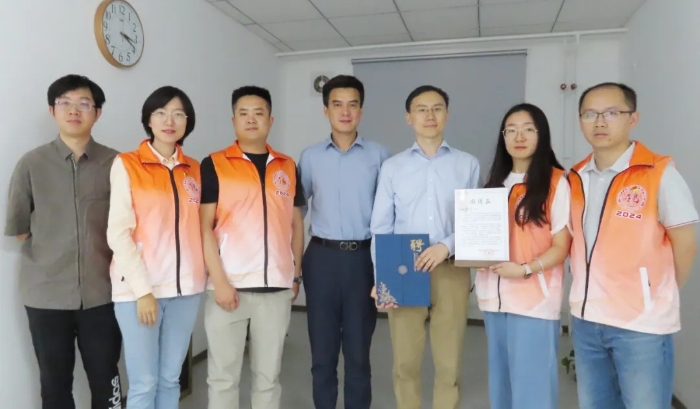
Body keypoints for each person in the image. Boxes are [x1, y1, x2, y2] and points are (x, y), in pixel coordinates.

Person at [568, 82, 698, 409]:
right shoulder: (576, 176)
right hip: (586, 321)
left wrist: (656, 293)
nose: (600, 122)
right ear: (580, 120)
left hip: (641, 326)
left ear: (633, 118)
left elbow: (685, 244)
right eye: (590, 114)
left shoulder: (658, 172)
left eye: (611, 113)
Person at [4, 74, 123, 409]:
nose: (74, 110)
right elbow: (20, 227)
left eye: (84, 104)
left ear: (97, 112)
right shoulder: (31, 163)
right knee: (54, 385)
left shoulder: (117, 164)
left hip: (103, 293)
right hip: (46, 295)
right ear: (52, 110)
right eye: (65, 103)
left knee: (107, 380)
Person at [370, 85, 480, 409]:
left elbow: (477, 219)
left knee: (449, 362)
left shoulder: (467, 164)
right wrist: (382, 277)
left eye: (437, 108)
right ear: (409, 117)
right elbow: (380, 226)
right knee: (405, 362)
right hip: (403, 267)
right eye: (421, 109)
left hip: (451, 270)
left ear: (447, 114)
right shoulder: (393, 167)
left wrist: (447, 245)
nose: (430, 115)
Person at [200, 85, 306, 409]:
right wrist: (219, 282)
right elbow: (204, 226)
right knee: (223, 377)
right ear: (233, 120)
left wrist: (295, 275)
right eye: (243, 113)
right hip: (227, 288)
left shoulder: (287, 166)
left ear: (270, 120)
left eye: (258, 113)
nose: (251, 119)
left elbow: (296, 225)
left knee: (268, 377)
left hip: (276, 289)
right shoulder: (214, 164)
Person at [106, 86, 205, 409]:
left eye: (178, 114)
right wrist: (143, 290)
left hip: (185, 291)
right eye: (160, 113)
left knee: (170, 379)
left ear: (187, 122)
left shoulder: (194, 169)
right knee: (144, 383)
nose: (169, 121)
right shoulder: (127, 164)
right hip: (139, 292)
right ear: (148, 120)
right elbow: (118, 233)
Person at [298, 75, 391, 409]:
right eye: (337, 104)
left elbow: (390, 214)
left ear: (361, 110)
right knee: (322, 353)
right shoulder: (310, 157)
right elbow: (295, 212)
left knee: (358, 354)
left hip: (363, 260)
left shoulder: (380, 156)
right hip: (321, 259)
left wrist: (386, 271)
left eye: (353, 105)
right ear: (326, 110)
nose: (345, 112)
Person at [476, 103, 572, 409]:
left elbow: (561, 246)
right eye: (512, 130)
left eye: (529, 129)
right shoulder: (493, 185)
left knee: (533, 389)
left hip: (534, 301)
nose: (519, 136)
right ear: (503, 136)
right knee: (501, 385)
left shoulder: (556, 182)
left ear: (541, 135)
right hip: (493, 299)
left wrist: (525, 269)